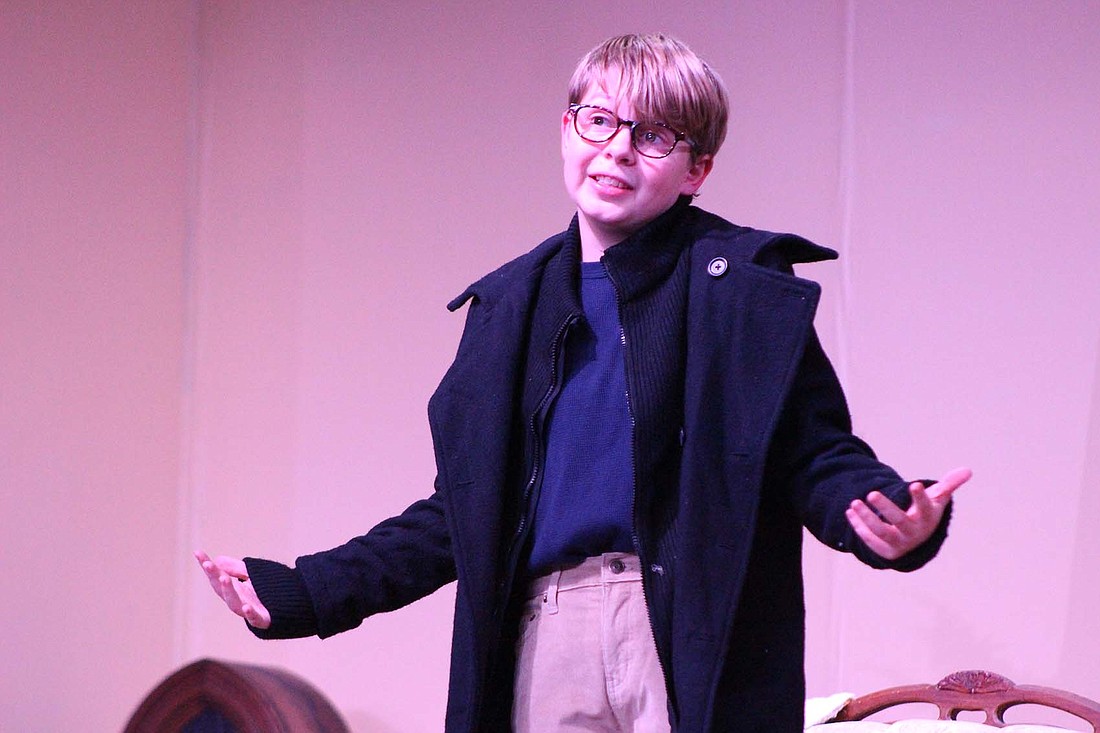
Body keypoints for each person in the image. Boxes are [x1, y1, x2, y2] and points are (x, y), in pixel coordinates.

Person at [197, 33, 969, 733]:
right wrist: (306, 590)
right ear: (567, 129)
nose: (619, 151)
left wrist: (894, 514)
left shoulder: (739, 290)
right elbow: (456, 516)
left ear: (698, 167)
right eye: (599, 121)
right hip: (547, 626)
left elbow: (814, 453)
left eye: (656, 135)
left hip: (685, 624)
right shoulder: (509, 306)